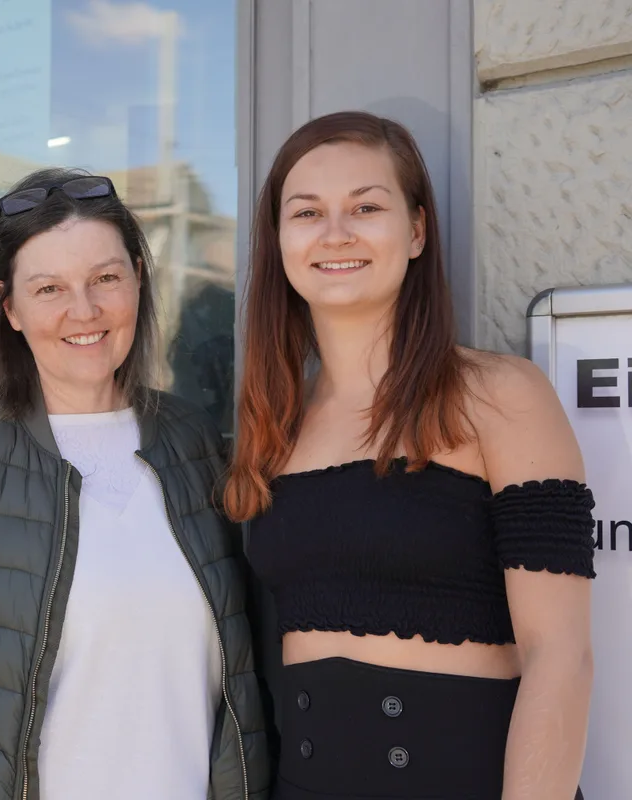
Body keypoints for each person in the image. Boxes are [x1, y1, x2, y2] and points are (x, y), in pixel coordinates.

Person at [0, 167, 270, 800]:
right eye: (49, 288)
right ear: (9, 306)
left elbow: (240, 673)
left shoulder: (194, 441)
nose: (85, 310)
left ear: (137, 278)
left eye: (105, 278)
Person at [227, 111, 594, 799]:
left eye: (366, 206)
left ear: (417, 229)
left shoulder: (500, 396)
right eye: (306, 212)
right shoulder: (276, 425)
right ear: (279, 240)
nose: (336, 233)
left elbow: (561, 658)